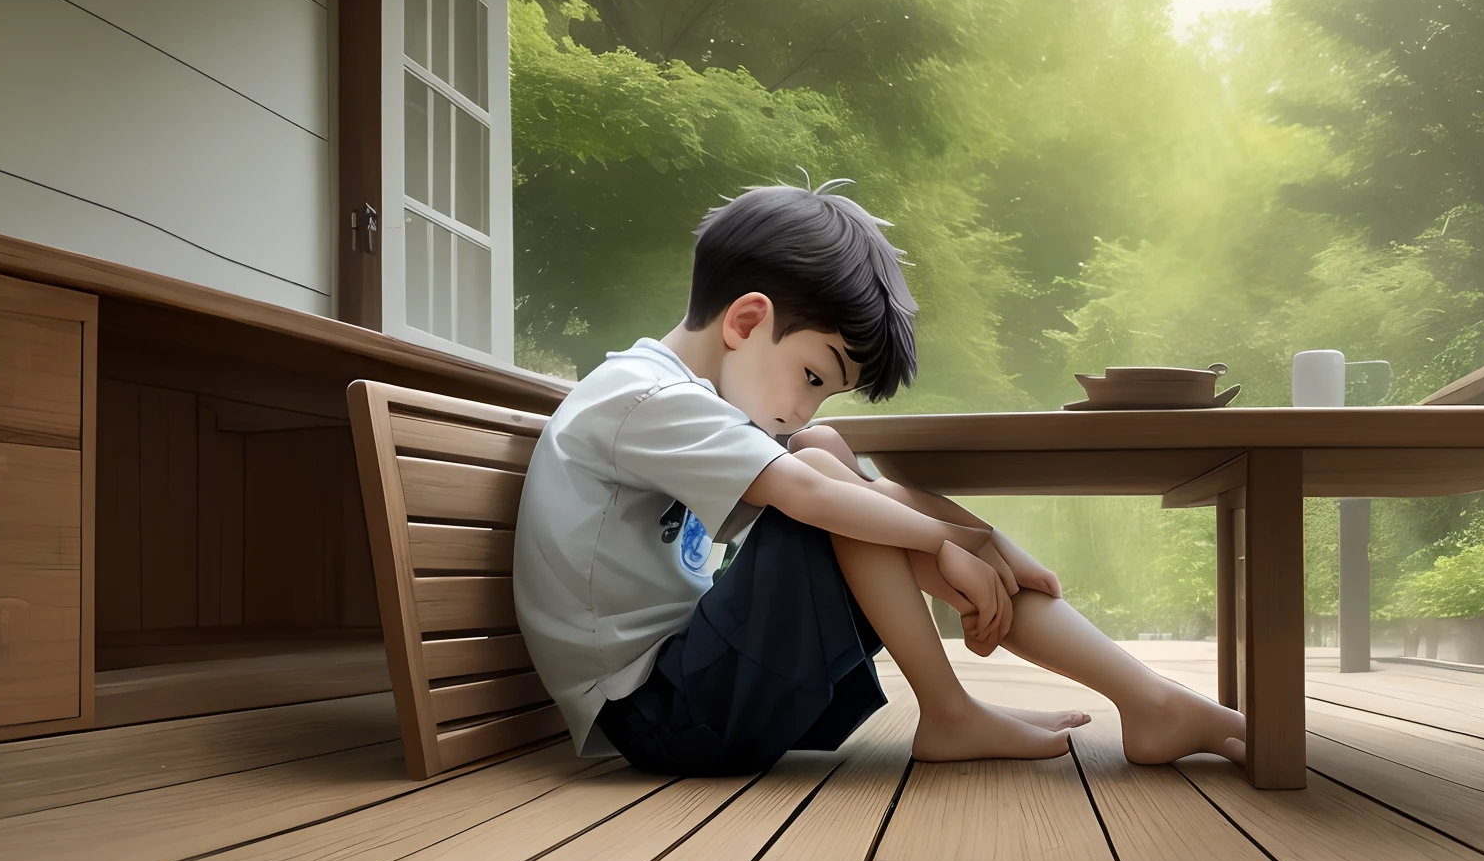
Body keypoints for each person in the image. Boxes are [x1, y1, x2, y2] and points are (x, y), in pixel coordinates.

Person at [513, 178, 1247, 775]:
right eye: (808, 375)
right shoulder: (643, 397)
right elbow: (813, 497)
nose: (798, 406)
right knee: (821, 484)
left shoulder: (686, 402)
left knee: (824, 451)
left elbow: (837, 482)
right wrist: (948, 538)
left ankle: (1144, 699)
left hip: (705, 688)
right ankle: (952, 713)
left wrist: (977, 537)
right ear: (744, 320)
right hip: (663, 715)